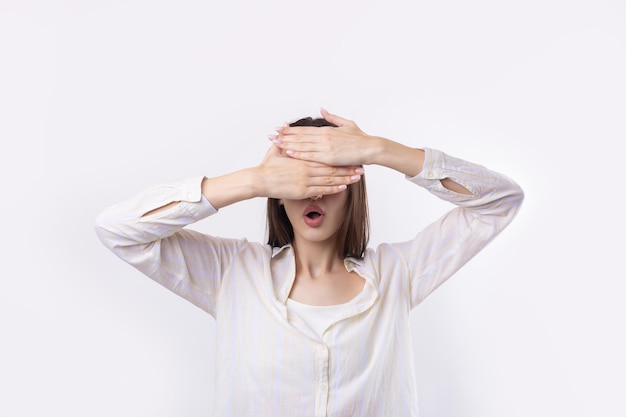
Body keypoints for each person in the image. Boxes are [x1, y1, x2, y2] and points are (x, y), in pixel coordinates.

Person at [95, 109, 524, 417]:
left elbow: (499, 201)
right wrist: (253, 181)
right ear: (279, 192)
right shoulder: (232, 273)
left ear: (352, 187)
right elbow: (118, 229)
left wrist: (378, 149)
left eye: (330, 177)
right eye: (300, 179)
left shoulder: (398, 273)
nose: (314, 193)